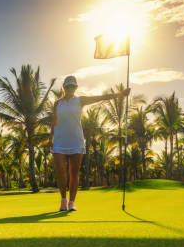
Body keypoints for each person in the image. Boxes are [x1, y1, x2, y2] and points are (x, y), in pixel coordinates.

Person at [50, 75, 130, 211]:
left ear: (76, 88)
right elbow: (54, 122)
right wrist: (50, 138)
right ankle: (63, 199)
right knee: (60, 171)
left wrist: (120, 94)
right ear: (64, 87)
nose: (70, 88)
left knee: (74, 173)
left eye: (73, 86)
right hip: (59, 141)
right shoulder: (57, 103)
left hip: (76, 140)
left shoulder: (80, 100)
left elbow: (101, 97)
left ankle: (72, 202)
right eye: (68, 86)